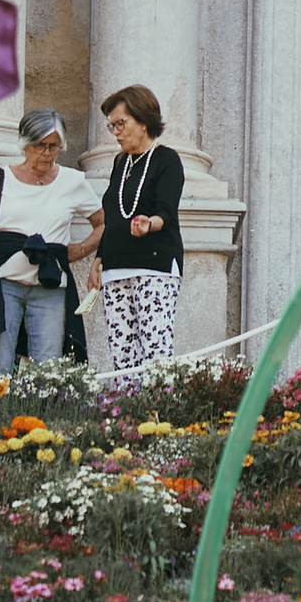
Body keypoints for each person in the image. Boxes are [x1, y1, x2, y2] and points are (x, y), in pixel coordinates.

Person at [0, 111, 100, 369]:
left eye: (53, 146)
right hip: (3, 285)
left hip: (49, 288)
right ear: (25, 144)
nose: (47, 153)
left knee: (48, 368)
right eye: (40, 145)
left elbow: (103, 223)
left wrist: (79, 250)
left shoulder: (73, 181)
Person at [90, 82, 187, 381]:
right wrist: (98, 258)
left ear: (144, 122)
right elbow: (114, 216)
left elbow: (166, 212)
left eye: (121, 123)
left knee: (155, 353)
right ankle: (128, 422)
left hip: (154, 266)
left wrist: (149, 224)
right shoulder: (121, 162)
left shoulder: (166, 159)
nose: (116, 132)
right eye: (112, 126)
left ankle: (158, 421)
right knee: (123, 356)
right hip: (115, 268)